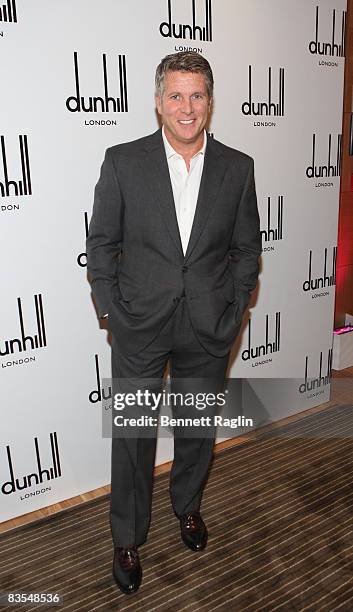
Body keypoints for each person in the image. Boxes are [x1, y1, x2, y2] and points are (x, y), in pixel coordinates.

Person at [86, 51, 261, 595]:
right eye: (176, 96)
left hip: (208, 327)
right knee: (133, 437)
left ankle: (187, 507)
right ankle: (128, 537)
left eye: (198, 96)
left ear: (210, 102)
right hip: (140, 324)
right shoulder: (123, 161)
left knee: (196, 432)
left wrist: (233, 309)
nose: (188, 108)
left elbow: (247, 250)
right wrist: (114, 313)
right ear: (159, 103)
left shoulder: (239, 167)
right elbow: (101, 246)